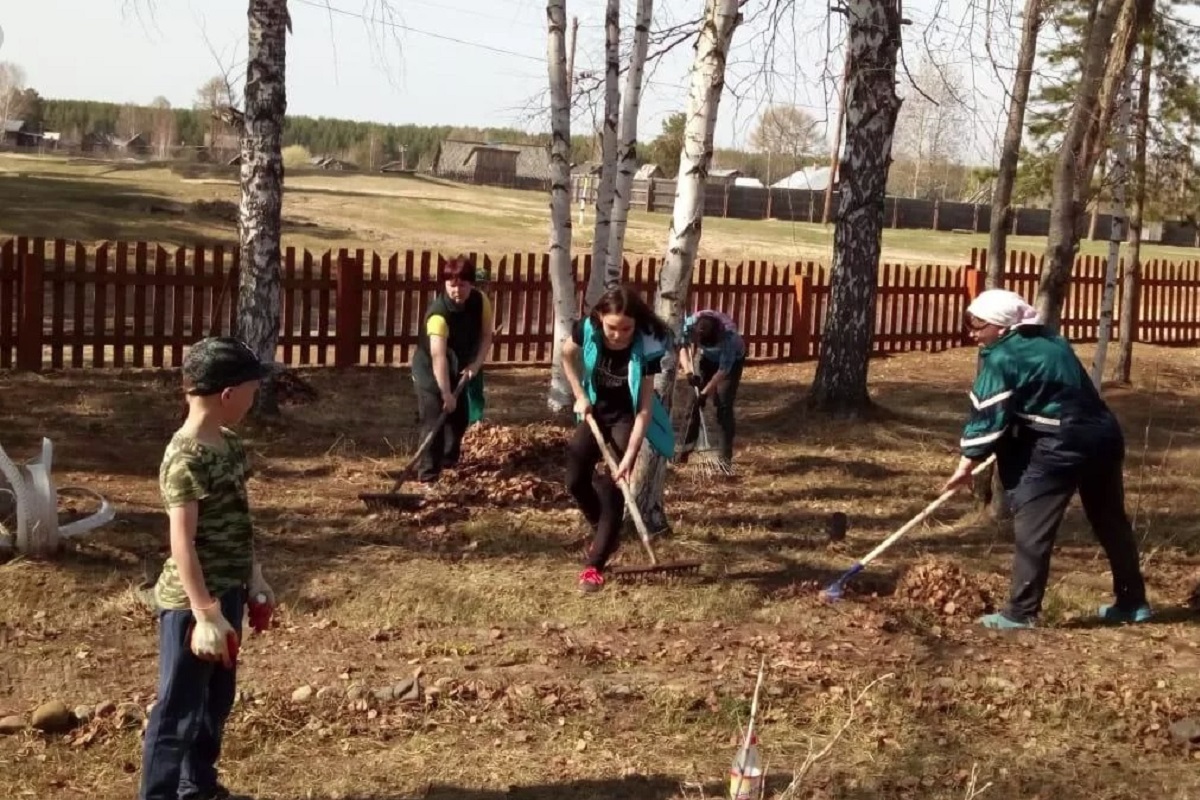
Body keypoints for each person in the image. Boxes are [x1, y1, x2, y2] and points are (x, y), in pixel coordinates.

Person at [941, 289, 1151, 630]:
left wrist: (967, 462)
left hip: (1061, 445)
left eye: (978, 326)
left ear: (1001, 326)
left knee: (1033, 520)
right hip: (1103, 436)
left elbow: (988, 414)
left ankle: (1020, 613)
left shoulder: (1002, 358)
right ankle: (1132, 601)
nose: (972, 333)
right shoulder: (1052, 340)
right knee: (1110, 520)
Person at [140, 336, 275, 800]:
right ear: (227, 395)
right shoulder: (185, 459)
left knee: (216, 700)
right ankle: (157, 794)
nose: (253, 400)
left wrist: (255, 579)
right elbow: (182, 542)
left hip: (229, 591)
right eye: (252, 392)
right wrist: (203, 613)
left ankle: (197, 785)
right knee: (177, 709)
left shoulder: (231, 447)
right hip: (190, 606)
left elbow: (240, 518)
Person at [560, 285, 676, 593]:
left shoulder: (647, 344)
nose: (618, 335)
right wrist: (580, 394)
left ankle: (593, 567)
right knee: (574, 479)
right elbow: (565, 355)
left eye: (626, 328)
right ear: (600, 318)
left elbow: (644, 411)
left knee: (611, 488)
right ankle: (606, 534)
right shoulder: (587, 328)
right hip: (595, 409)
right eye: (612, 327)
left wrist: (628, 459)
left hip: (627, 418)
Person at [410, 254, 494, 484]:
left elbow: (487, 335)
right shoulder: (438, 315)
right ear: (445, 285)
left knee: (459, 418)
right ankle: (428, 476)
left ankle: (449, 463)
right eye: (452, 285)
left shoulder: (480, 301)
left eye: (463, 285)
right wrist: (445, 393)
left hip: (459, 366)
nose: (457, 291)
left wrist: (475, 366)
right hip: (430, 371)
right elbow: (438, 357)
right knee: (433, 420)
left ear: (471, 284)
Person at [677, 309, 746, 466]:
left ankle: (724, 458)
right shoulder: (689, 325)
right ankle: (683, 452)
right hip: (705, 358)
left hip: (731, 364)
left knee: (723, 405)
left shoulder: (730, 339)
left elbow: (722, 371)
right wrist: (688, 372)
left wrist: (705, 392)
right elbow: (683, 347)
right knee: (693, 404)